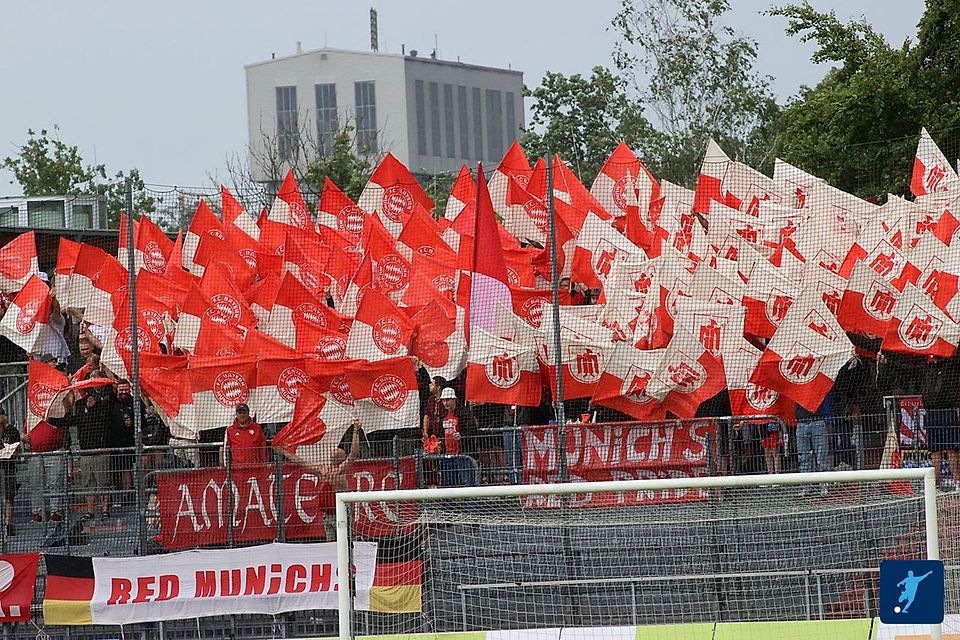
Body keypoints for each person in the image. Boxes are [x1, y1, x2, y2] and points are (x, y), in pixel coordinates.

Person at [50, 388, 114, 521]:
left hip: (100, 453)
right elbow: (64, 422)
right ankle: (90, 511)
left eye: (92, 399)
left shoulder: (104, 415)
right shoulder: (81, 416)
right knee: (87, 483)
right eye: (88, 399)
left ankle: (105, 509)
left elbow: (109, 431)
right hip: (85, 454)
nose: (89, 400)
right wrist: (50, 418)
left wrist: (104, 446)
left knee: (103, 482)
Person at [795, 390, 833, 497]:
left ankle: (824, 487)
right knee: (803, 458)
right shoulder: (796, 384)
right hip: (801, 423)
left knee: (821, 457)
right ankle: (806, 487)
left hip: (817, 421)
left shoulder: (817, 383)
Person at [438, 387, 478, 487]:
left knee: (468, 482)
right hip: (447, 455)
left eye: (448, 400)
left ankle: (471, 502)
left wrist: (462, 436)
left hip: (462, 454)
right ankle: (449, 503)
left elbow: (473, 430)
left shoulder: (464, 413)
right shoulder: (442, 414)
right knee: (448, 483)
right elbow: (439, 432)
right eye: (443, 400)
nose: (445, 403)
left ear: (454, 399)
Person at [0, 410, 20, 536]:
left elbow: (16, 447)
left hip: (9, 466)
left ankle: (8, 523)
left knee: (9, 496)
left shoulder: (11, 430)